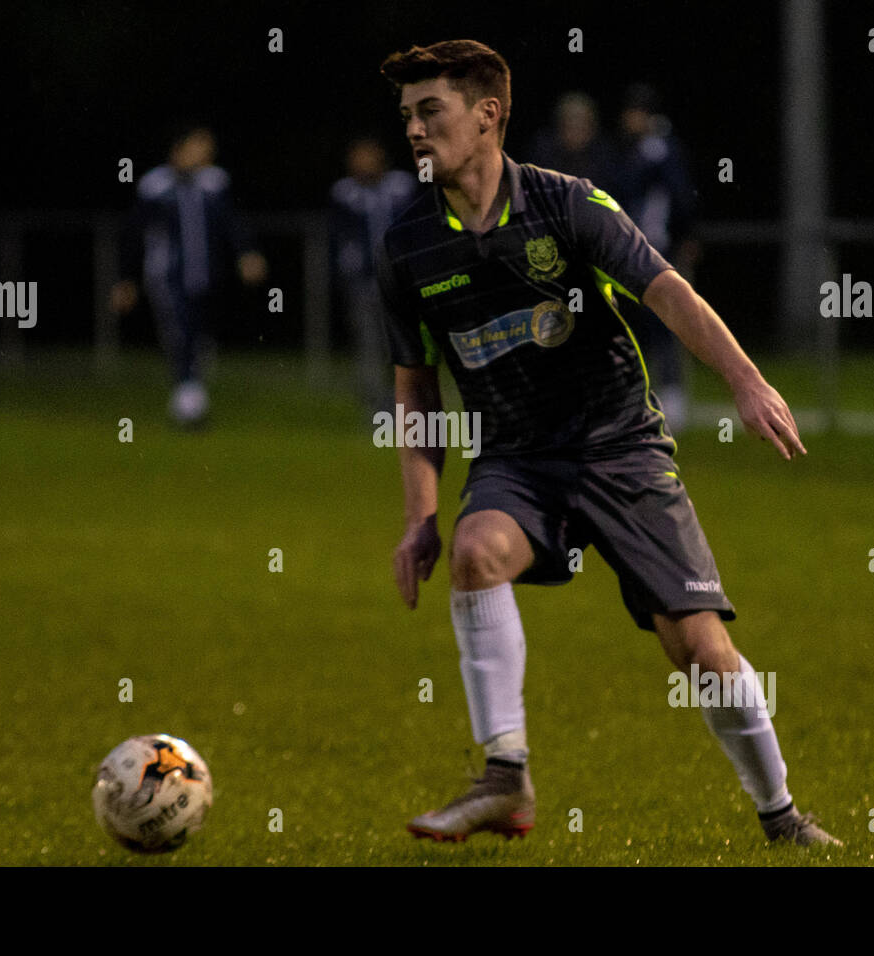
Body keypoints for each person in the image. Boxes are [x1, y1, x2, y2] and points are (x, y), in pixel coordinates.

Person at [376, 39, 840, 847]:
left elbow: (669, 292)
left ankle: (783, 816)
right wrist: (421, 515)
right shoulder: (409, 244)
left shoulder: (570, 205)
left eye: (431, 112)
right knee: (477, 553)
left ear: (488, 116)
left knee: (697, 647)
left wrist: (745, 381)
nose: (414, 131)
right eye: (408, 116)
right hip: (516, 459)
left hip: (620, 447)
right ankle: (506, 776)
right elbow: (415, 387)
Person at [111, 125, 267, 428]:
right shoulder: (155, 186)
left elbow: (231, 223)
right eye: (199, 148)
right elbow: (134, 235)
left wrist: (247, 252)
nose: (205, 156)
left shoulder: (214, 183)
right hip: (167, 277)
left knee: (201, 340)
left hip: (207, 276)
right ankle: (190, 406)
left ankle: (188, 398)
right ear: (179, 149)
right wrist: (125, 279)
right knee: (179, 334)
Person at [618, 83, 700, 432]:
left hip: (654, 246)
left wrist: (686, 235)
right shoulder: (647, 147)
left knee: (661, 323)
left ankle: (672, 400)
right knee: (643, 323)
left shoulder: (656, 148)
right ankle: (646, 397)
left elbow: (680, 197)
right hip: (643, 245)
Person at [329, 137, 418, 413]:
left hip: (401, 282)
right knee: (369, 345)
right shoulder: (345, 193)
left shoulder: (401, 186)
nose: (363, 163)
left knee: (404, 346)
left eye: (368, 156)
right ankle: (376, 408)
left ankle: (404, 403)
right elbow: (338, 239)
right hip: (364, 282)